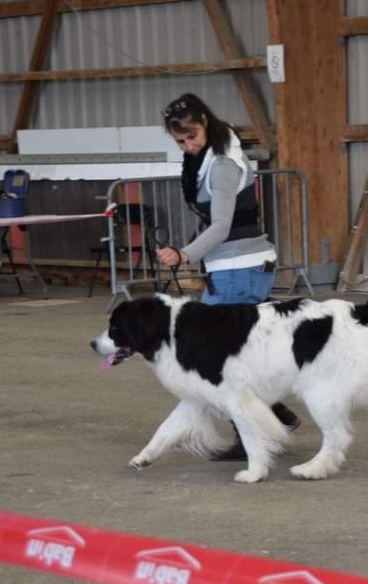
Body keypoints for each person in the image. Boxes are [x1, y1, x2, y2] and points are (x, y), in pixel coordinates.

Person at [157, 92, 299, 458]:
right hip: (236, 268)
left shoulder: (222, 165)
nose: (188, 146)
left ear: (204, 121)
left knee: (221, 357)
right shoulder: (211, 155)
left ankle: (255, 437)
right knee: (237, 355)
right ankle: (276, 419)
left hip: (239, 268)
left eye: (191, 137)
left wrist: (185, 254)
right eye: (180, 142)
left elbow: (220, 226)